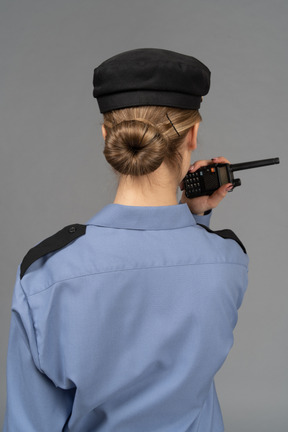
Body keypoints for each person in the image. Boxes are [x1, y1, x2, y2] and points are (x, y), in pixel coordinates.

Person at [4, 48, 248, 432]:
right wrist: (195, 217)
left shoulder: (46, 278)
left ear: (107, 135)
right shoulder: (229, 263)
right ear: (193, 135)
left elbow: (29, 422)